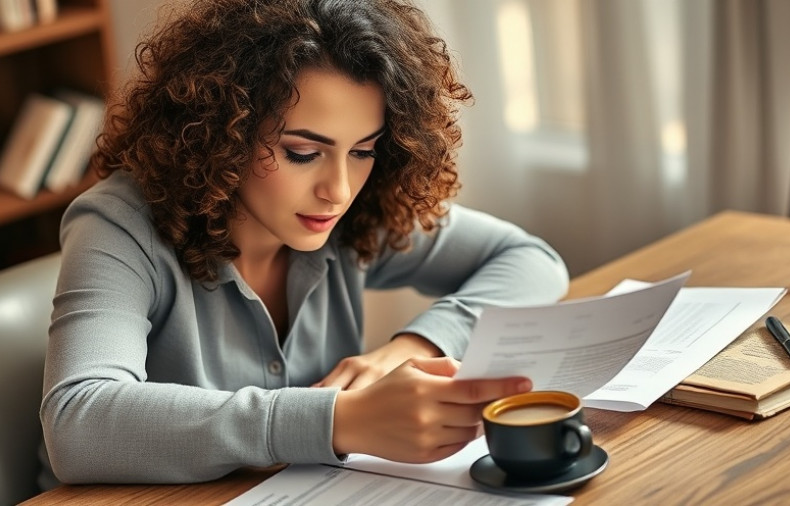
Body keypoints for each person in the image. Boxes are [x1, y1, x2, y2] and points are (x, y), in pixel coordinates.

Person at [39, 0, 568, 486]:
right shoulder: (118, 224)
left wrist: (413, 348)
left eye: (363, 151)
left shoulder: (355, 215)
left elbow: (531, 262)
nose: (337, 190)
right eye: (300, 153)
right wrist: (339, 419)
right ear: (221, 132)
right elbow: (77, 423)